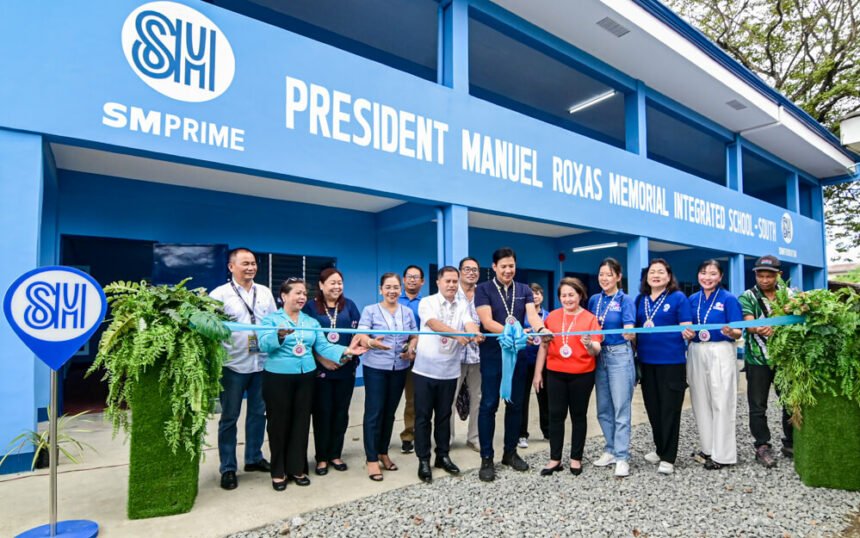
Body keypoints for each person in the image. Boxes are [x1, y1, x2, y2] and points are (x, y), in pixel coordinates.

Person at [258, 278, 368, 491]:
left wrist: (345, 351)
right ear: (283, 296)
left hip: (306, 376)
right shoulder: (271, 320)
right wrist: (279, 335)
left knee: (301, 423)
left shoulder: (310, 322)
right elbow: (263, 345)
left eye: (304, 294)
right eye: (297, 293)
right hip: (278, 377)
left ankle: (298, 469)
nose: (301, 297)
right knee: (279, 424)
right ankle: (279, 471)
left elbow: (324, 346)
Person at [475, 247, 551, 482]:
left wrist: (541, 329)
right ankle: (487, 458)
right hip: (492, 355)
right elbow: (487, 322)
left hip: (517, 353)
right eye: (503, 266)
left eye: (512, 266)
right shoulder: (483, 289)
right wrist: (515, 331)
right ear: (495, 267)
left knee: (516, 405)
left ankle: (510, 452)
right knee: (489, 404)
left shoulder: (525, 290)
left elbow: (533, 315)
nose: (508, 270)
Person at [208, 248, 277, 490]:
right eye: (245, 263)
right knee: (229, 417)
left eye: (254, 263)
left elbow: (272, 323)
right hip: (233, 365)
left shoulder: (265, 292)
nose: (251, 267)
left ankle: (253, 458)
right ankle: (228, 467)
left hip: (261, 364)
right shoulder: (219, 295)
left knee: (259, 413)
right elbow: (211, 329)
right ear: (231, 267)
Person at [413, 267, 483, 483]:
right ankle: (423, 459)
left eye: (455, 281)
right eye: (448, 281)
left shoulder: (461, 304)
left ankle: (442, 456)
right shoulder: (427, 302)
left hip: (450, 371)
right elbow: (433, 324)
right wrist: (459, 335)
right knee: (423, 417)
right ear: (438, 282)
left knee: (444, 416)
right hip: (425, 370)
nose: (452, 285)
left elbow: (468, 322)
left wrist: (474, 332)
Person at [533, 277, 602, 476]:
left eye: (571, 295)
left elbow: (596, 349)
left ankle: (576, 458)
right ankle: (555, 459)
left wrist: (589, 344)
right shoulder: (552, 317)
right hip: (555, 373)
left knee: (578, 416)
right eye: (563, 295)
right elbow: (544, 346)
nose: (568, 299)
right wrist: (538, 373)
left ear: (580, 295)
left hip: (582, 375)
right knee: (556, 416)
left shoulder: (589, 318)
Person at [682, 260, 743, 470]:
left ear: (720, 277)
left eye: (712, 273)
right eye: (703, 272)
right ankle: (707, 448)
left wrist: (730, 332)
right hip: (697, 349)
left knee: (722, 399)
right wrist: (687, 333)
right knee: (700, 400)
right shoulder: (692, 299)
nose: (707, 277)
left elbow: (738, 331)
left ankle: (723, 455)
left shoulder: (729, 299)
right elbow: (687, 327)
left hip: (721, 349)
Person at [358, 273, 418, 481]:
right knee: (374, 412)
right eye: (388, 287)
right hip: (375, 367)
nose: (392, 291)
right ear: (380, 289)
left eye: (396, 287)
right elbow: (362, 336)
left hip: (399, 367)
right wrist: (372, 342)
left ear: (400, 290)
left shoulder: (407, 312)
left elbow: (414, 335)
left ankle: (383, 452)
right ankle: (371, 458)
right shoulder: (370, 311)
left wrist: (411, 347)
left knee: (390, 412)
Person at [302, 268, 362, 476]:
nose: (337, 286)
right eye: (332, 283)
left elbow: (357, 334)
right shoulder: (310, 307)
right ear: (321, 285)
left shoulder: (350, 306)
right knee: (322, 414)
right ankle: (321, 458)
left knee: (340, 414)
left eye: (339, 283)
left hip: (346, 369)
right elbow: (306, 338)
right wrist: (322, 360)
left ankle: (335, 454)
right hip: (321, 371)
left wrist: (346, 357)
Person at [634, 259, 692, 475]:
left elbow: (687, 327)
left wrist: (689, 332)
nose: (655, 275)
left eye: (660, 272)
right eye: (652, 272)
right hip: (647, 363)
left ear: (669, 276)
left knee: (669, 410)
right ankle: (659, 449)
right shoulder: (641, 299)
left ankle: (669, 456)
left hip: (672, 363)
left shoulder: (678, 298)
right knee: (653, 409)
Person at [739, 255, 794, 468]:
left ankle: (791, 443)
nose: (764, 280)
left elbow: (798, 317)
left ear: (778, 275)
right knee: (757, 406)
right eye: (760, 275)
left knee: (789, 401)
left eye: (769, 276)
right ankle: (762, 445)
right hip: (757, 359)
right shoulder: (748, 296)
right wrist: (758, 327)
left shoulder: (789, 295)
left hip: (784, 358)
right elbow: (748, 323)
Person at [587, 258, 636, 478]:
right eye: (601, 274)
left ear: (618, 276)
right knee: (603, 408)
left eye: (608, 274)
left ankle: (622, 456)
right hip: (599, 356)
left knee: (621, 408)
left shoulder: (625, 300)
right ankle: (610, 449)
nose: (604, 278)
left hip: (619, 355)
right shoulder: (594, 300)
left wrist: (630, 332)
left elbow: (629, 327)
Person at [451, 256, 482, 452]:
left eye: (475, 270)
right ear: (460, 272)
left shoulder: (484, 294)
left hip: (478, 356)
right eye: (467, 269)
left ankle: (474, 437)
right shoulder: (452, 294)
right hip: (454, 355)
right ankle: (448, 438)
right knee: (449, 399)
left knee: (478, 397)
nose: (471, 272)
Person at [520, 282, 550, 448]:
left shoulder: (548, 315)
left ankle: (547, 431)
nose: (535, 296)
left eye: (538, 293)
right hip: (524, 360)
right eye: (532, 294)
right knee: (522, 399)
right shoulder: (522, 315)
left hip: (543, 363)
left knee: (544, 398)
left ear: (542, 296)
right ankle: (522, 434)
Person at [398, 265, 424, 455]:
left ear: (422, 282)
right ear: (403, 280)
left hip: (417, 356)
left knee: (412, 399)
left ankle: (408, 435)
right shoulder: (394, 299)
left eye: (416, 277)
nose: (412, 280)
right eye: (409, 276)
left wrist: (414, 347)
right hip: (393, 356)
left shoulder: (426, 303)